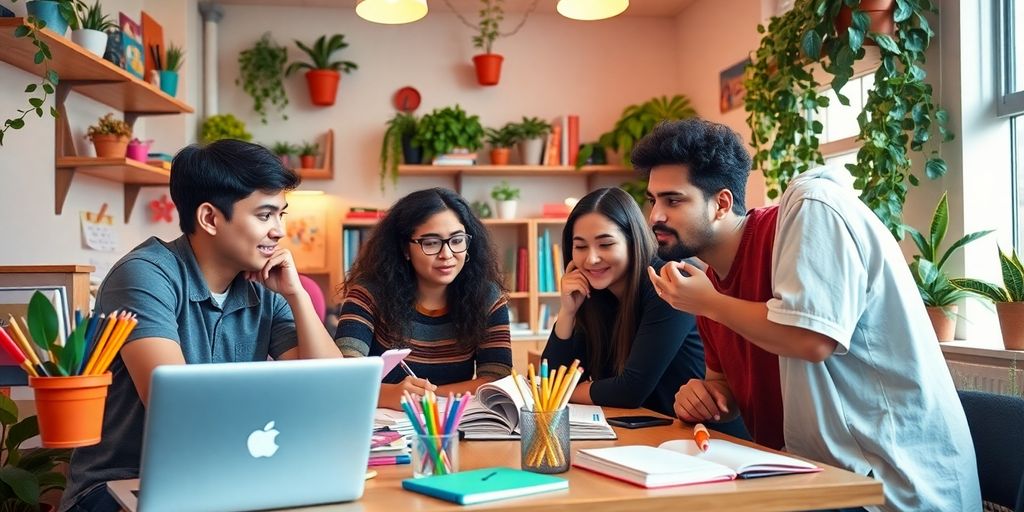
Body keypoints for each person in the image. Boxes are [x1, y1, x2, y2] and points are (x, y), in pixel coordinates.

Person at [637, 118, 981, 511]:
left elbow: (812, 339)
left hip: (889, 488)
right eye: (653, 200)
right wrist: (705, 397)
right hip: (806, 481)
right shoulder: (708, 286)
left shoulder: (807, 211)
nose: (655, 217)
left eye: (673, 200)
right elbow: (725, 390)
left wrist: (709, 302)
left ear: (721, 203)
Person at [60, 140, 342, 512]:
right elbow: (177, 409)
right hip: (123, 484)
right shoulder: (144, 276)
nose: (278, 231)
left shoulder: (265, 289)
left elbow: (333, 391)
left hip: (226, 476)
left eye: (280, 215)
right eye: (264, 215)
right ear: (210, 218)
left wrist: (298, 296)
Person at [334, 188, 512, 409]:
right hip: (384, 427)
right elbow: (345, 376)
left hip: (453, 423)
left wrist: (427, 396)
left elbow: (497, 379)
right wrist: (389, 395)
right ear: (405, 249)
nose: (446, 254)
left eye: (457, 240)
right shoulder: (369, 294)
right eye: (430, 243)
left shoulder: (487, 298)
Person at [540, 187, 707, 418]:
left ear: (632, 241)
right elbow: (548, 381)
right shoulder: (594, 295)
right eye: (580, 247)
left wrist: (566, 393)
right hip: (640, 434)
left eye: (605, 244)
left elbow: (630, 390)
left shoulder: (669, 280)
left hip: (701, 438)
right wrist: (568, 312)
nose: (591, 259)